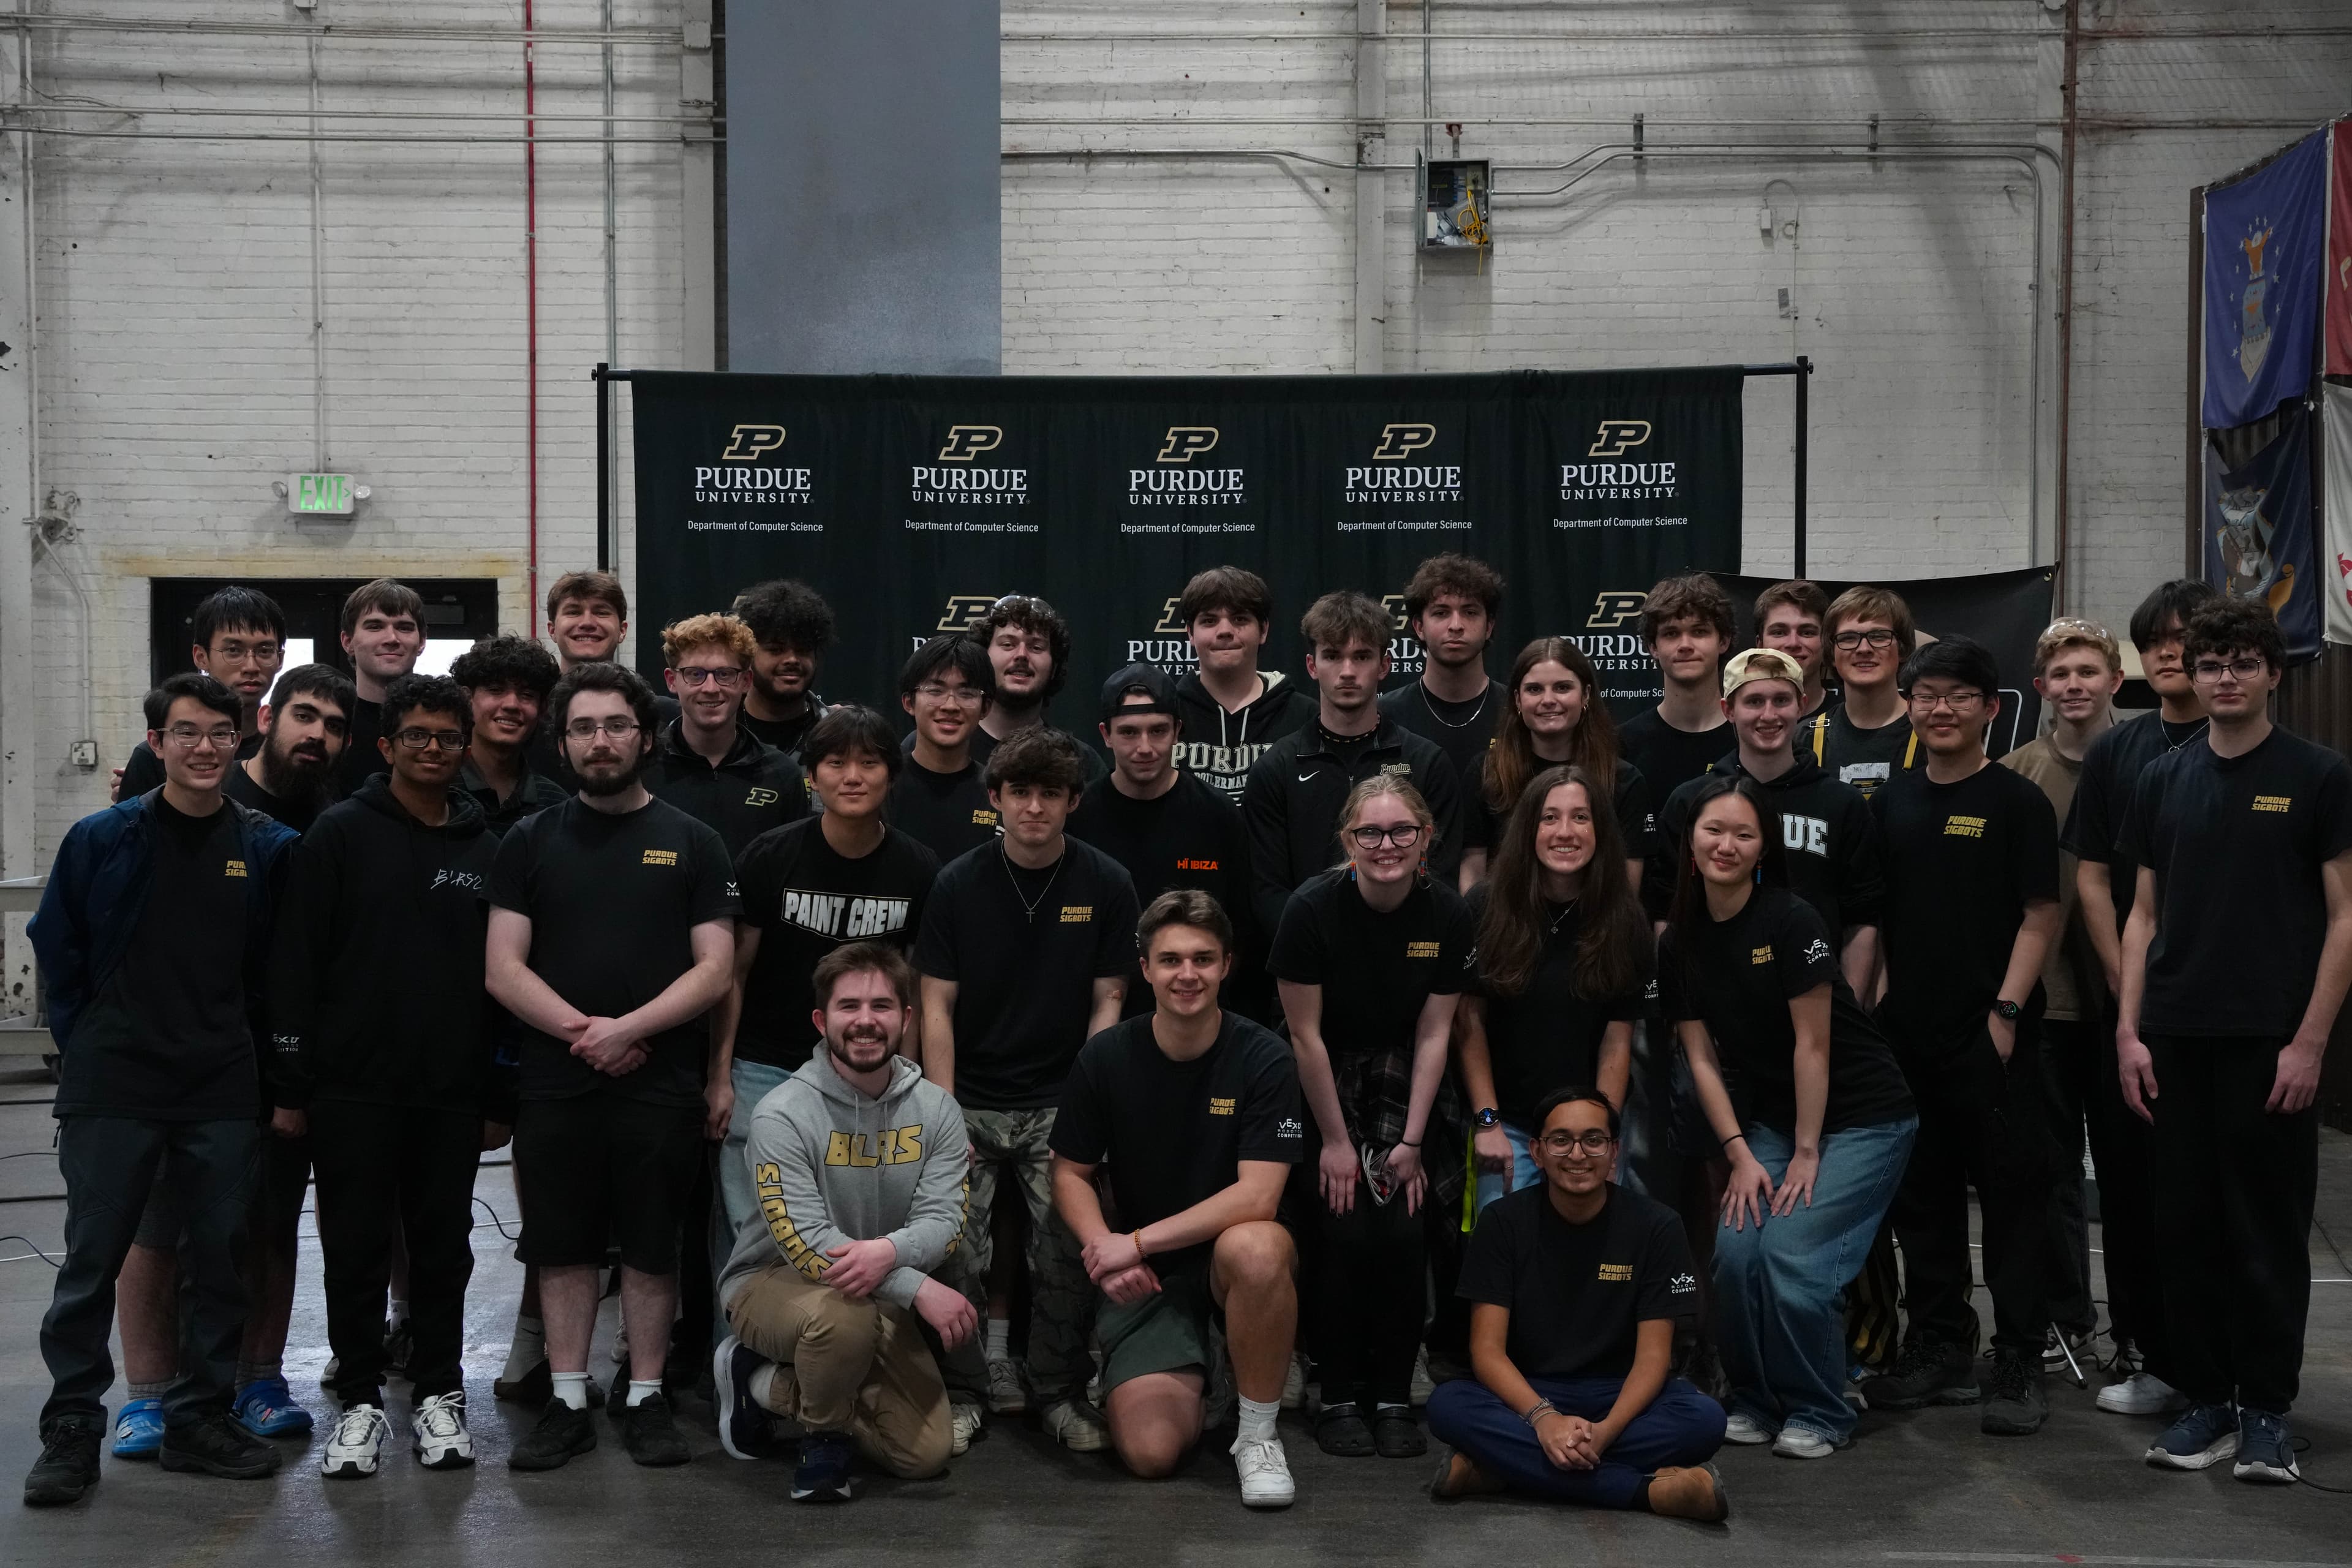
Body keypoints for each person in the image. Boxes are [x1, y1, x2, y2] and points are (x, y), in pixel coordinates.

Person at [24, 674, 301, 1506]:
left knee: (218, 1262)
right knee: (91, 1264)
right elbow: (58, 949)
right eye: (186, 733)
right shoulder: (102, 838)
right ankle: (73, 1430)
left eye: (220, 732)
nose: (205, 747)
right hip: (114, 1086)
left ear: (242, 738)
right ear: (157, 744)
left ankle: (198, 1421)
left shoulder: (266, 847)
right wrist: (89, 1046)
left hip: (219, 1087)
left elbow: (276, 974)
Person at [2116, 598, 2352, 1483]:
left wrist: (2310, 1042)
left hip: (2268, 1042)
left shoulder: (2318, 775)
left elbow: (2345, 917)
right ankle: (2207, 1401)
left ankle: (2266, 1413)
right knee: (2186, 1230)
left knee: (2264, 1232)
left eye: (2241, 663)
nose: (2223, 677)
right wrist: (2129, 1032)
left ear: (2271, 674)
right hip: (2173, 1039)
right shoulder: (2160, 779)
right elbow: (2142, 917)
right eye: (2209, 663)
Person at [484, 662, 737, 1471]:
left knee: (652, 1246)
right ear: (563, 744)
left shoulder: (692, 841)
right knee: (560, 1247)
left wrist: (628, 1028)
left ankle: (646, 1397)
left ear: (646, 736)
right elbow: (503, 968)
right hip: (557, 1082)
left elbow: (714, 968)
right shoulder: (529, 840)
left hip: (661, 1083)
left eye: (616, 726)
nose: (602, 741)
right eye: (585, 728)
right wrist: (585, 1035)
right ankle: (566, 1401)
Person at [102, 662, 356, 1463]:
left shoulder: (330, 821)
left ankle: (258, 1378)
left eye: (334, 725)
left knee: (270, 1222)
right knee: (158, 1226)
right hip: (177, 1059)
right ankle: (145, 1398)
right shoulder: (195, 798)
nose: (316, 735)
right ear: (267, 718)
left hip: (279, 1059)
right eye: (304, 716)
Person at [266, 674, 509, 1479]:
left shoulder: (487, 848)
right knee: (356, 1250)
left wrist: (498, 1093)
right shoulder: (338, 836)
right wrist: (294, 1086)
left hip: (450, 1091)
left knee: (445, 1250)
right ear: (388, 746)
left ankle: (440, 1395)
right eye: (418, 738)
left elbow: (504, 979)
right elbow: (296, 962)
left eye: (448, 738)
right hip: (351, 1091)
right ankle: (362, 1403)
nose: (434, 750)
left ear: (466, 747)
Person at [1658, 775, 1917, 1458]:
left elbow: (1814, 1042)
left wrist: (1806, 1151)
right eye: (1714, 830)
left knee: (1793, 1259)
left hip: (1862, 1118)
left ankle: (1820, 1410)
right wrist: (1740, 1152)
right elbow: (1702, 1059)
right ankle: (1757, 1398)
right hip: (1770, 1120)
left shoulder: (1790, 918)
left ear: (1764, 848)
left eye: (1745, 834)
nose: (1728, 844)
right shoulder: (1679, 940)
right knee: (1739, 1252)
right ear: (1690, 840)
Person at [913, 726, 1139, 1453]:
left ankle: (1060, 1393)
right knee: (954, 1252)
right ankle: (964, 1391)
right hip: (967, 1096)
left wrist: (1087, 1105)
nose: (1034, 807)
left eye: (1050, 794)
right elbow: (935, 1005)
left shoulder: (1106, 880)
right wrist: (943, 1113)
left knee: (1067, 1255)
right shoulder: (957, 882)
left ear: (1074, 801)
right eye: (1020, 793)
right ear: (997, 799)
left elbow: (1109, 1000)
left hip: (1060, 1098)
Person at [1861, 636, 2060, 1436]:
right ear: (1911, 707)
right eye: (1926, 696)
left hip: (1996, 1035)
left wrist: (2006, 1015)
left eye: (1957, 696)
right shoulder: (1893, 802)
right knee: (1925, 1202)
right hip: (1910, 1035)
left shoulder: (2018, 803)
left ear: (1989, 707)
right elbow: (1874, 919)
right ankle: (1941, 1345)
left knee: (2015, 1204)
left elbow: (2042, 916)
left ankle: (2017, 1357)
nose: (1940, 709)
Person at [1050, 889, 1306, 1507]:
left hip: (1226, 1264)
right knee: (1150, 1454)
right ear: (1144, 969)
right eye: (1169, 960)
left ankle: (1257, 1433)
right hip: (1150, 1280)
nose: (1186, 974)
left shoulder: (1264, 1056)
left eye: (1202, 958)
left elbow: (1259, 1196)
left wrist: (1133, 1240)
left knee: (1258, 1245)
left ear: (1226, 966)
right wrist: (1104, 1249)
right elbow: (1070, 1174)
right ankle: (1223, 1371)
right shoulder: (1107, 1055)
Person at [712, 944, 975, 1501]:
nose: (864, 1021)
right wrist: (913, 1281)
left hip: (871, 1291)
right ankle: (822, 1437)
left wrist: (885, 1256)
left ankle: (765, 1384)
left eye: (881, 1006)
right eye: (848, 1006)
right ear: (821, 1020)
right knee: (842, 1323)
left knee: (925, 1456)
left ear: (906, 1019)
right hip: (770, 1282)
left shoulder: (937, 1111)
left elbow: (945, 1220)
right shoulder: (783, 1112)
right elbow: (805, 1245)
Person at [1271, 775, 1471, 1460]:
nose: (1386, 845)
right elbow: (1305, 1036)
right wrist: (1333, 1141)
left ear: (1425, 839)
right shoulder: (1310, 909)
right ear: (1348, 841)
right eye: (1370, 833)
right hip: (1324, 1079)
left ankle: (1392, 1393)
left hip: (1407, 1081)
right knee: (1343, 1227)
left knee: (1403, 1231)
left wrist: (1413, 1141)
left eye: (1401, 832)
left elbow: (1437, 1032)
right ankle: (1337, 1392)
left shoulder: (1446, 912)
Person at [2059, 577, 2218, 1417]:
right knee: (2128, 1191)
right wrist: (2127, 989)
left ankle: (2226, 1368)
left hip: (2220, 1017)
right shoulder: (2121, 752)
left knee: (2209, 1196)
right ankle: (2149, 1354)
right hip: (2126, 1018)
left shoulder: (2252, 750)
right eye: (2154, 639)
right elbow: (2090, 876)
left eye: (2184, 636)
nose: (2168, 651)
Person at [1425, 1088, 1725, 1518]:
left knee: (1705, 1419)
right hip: (1529, 1392)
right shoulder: (1502, 1223)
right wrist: (1544, 1420)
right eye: (1561, 1140)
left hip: (1619, 1397)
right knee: (1448, 1407)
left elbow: (1654, 1358)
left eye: (1594, 1140)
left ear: (1615, 1152)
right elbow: (1486, 1352)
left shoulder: (1657, 1226)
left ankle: (1502, 1471)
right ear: (1538, 1151)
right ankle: (1646, 1493)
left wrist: (1603, 1434)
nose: (1578, 1154)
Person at [718, 707, 938, 1273]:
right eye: (835, 763)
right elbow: (733, 975)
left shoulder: (917, 868)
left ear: (892, 774)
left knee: (857, 1232)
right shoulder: (770, 855)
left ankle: (837, 1356)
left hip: (869, 1077)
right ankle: (742, 1357)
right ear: (811, 776)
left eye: (869, 763)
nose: (853, 777)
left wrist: (907, 1083)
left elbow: (914, 990)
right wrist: (720, 1076)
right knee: (755, 1235)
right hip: (765, 1068)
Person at [1999, 617, 2125, 1372]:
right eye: (2060, 674)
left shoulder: (2152, 759)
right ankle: (2065, 1320)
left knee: (2129, 1171)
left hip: (2126, 1008)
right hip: (2044, 1007)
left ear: (2113, 678)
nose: (2074, 685)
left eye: (2088, 671)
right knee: (2048, 1171)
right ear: (2040, 687)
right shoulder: (2015, 773)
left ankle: (2144, 1328)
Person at [1459, 765, 1652, 1205]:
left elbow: (1617, 1042)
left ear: (1600, 830)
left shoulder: (1624, 919)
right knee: (1500, 1247)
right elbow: (1467, 1022)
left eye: (1581, 818)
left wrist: (1602, 1136)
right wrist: (1487, 1122)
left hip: (1586, 1126)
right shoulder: (1485, 907)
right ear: (1529, 829)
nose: (1565, 832)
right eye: (1550, 818)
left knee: (1591, 1251)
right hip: (1505, 1123)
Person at [1648, 650, 1883, 992]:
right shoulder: (1691, 801)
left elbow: (1861, 921)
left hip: (1815, 1003)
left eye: (1781, 700)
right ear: (1728, 709)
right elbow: (1666, 913)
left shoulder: (1841, 803)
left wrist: (1842, 1015)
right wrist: (1683, 1008)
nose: (1769, 715)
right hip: (1714, 1003)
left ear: (1801, 705)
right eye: (1754, 701)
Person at [1244, 590, 1464, 943]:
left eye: (1361, 656)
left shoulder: (1426, 762)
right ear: (1312, 666)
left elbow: (1440, 879)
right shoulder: (1276, 769)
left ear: (1384, 665)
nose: (1347, 672)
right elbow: (1268, 891)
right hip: (1307, 963)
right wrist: (1322, 946)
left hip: (1404, 959)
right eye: (1332, 656)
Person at [1069, 664, 1255, 1019]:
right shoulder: (1078, 817)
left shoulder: (1218, 815)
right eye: (1129, 733)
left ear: (1178, 731)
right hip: (1099, 1016)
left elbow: (1240, 931)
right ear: (1105, 735)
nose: (1145, 748)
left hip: (1197, 1010)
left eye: (1158, 731)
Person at [1464, 638, 1654, 889]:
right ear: (1518, 700)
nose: (1548, 699)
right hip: (1506, 924)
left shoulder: (1623, 779)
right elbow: (1472, 873)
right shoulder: (1487, 772)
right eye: (1534, 689)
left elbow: (1627, 889)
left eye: (1563, 688)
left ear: (1586, 695)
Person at [648, 611, 810, 856]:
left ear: (746, 681)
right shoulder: (643, 768)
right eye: (695, 674)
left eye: (725, 674)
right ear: (672, 681)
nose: (711, 688)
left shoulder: (782, 774)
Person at [116, 586, 288, 801]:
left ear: (280, 659)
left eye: (265, 651)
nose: (251, 666)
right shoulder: (158, 755)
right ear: (201, 657)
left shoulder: (287, 750)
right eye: (234, 651)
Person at [1170, 566, 1315, 804]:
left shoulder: (1306, 716)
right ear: (1190, 633)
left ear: (1263, 630)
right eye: (1209, 620)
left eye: (1240, 619)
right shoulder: (1165, 714)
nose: (1225, 631)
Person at [1379, 553, 1506, 791]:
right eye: (1441, 613)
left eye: (1470, 612)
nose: (1456, 625)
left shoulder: (1517, 712)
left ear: (1489, 627)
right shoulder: (1384, 716)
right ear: (1419, 627)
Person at [1615, 574, 1735, 801]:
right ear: (1653, 647)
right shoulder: (1623, 745)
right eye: (1671, 634)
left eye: (1699, 631)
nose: (1685, 646)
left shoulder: (1748, 737)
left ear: (1724, 641)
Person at [889, 633, 1002, 863]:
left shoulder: (1000, 794)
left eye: (967, 693)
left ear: (986, 707)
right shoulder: (880, 787)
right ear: (909, 702)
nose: (950, 705)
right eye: (935, 691)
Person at [1801, 586, 1920, 799]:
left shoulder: (1929, 733)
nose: (1864, 648)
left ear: (1901, 648)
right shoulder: (1804, 738)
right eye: (1848, 638)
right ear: (1831, 654)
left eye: (1879, 636)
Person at [964, 594, 1098, 777]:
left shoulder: (1081, 761)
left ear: (1054, 668)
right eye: (1008, 644)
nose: (1022, 655)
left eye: (1036, 647)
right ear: (982, 657)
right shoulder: (937, 745)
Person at [451, 633, 570, 835]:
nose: (512, 705)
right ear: (466, 698)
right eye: (496, 690)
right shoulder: (437, 788)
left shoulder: (556, 805)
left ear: (542, 709)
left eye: (527, 695)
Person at [333, 578, 428, 797]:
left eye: (404, 628)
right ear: (348, 643)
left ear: (421, 642)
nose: (392, 638)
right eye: (375, 627)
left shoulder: (442, 727)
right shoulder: (330, 724)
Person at [731, 578, 835, 756]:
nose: (792, 659)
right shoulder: (717, 730)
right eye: (776, 650)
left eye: (803, 650)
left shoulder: (839, 735)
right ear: (748, 655)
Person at [1754, 581, 1833, 720]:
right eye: (1779, 632)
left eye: (1807, 633)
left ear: (1825, 643)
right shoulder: (1740, 720)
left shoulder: (1850, 717)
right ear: (1759, 645)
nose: (1793, 643)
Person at [545, 568, 631, 673]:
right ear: (552, 630)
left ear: (622, 630)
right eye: (573, 613)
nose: (587, 623)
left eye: (601, 613)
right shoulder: (528, 689)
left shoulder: (641, 690)